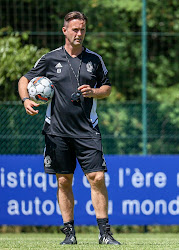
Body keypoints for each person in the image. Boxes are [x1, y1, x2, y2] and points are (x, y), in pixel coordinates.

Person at [18, 11, 121, 245]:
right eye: (75, 29)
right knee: (63, 180)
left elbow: (107, 88)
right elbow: (24, 80)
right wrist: (26, 99)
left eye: (82, 29)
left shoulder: (95, 59)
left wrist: (94, 92)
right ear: (65, 30)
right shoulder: (50, 59)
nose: (79, 34)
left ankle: (105, 233)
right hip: (57, 131)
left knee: (97, 177)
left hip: (87, 130)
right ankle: (69, 234)